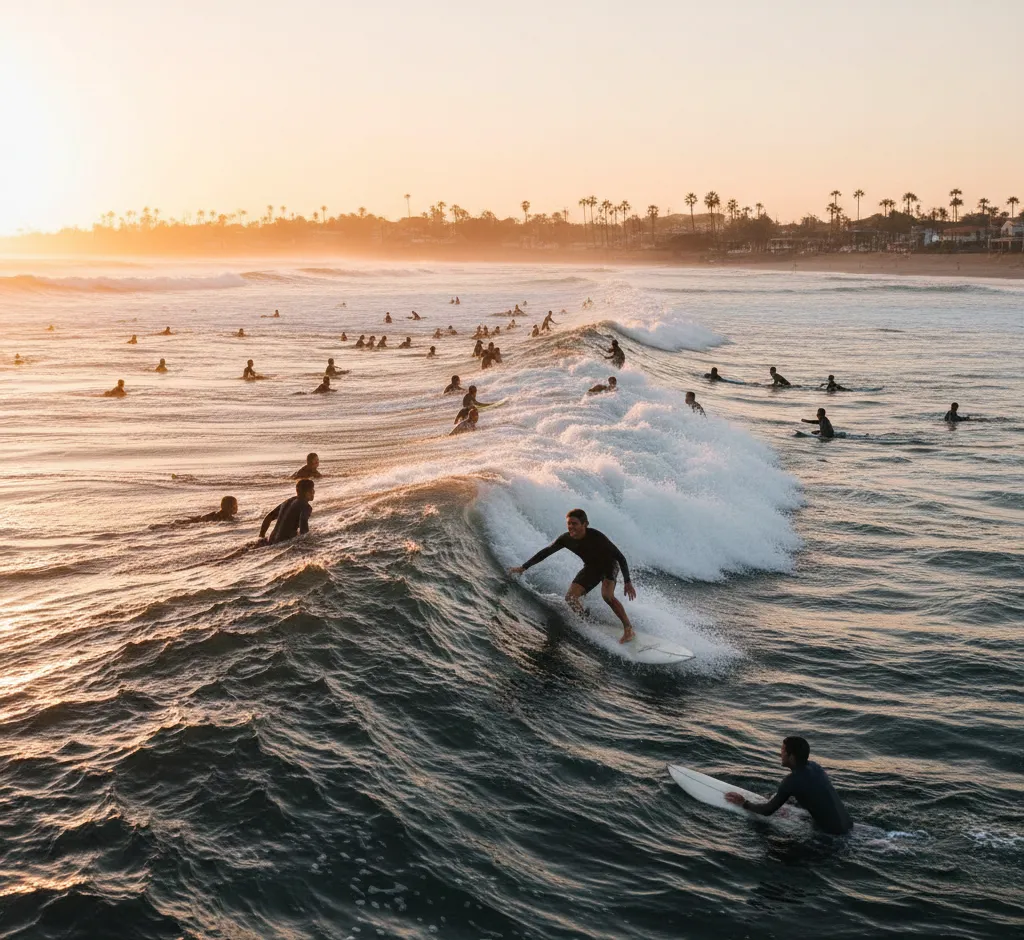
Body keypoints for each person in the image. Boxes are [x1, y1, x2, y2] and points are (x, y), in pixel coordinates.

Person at [510, 508, 637, 643]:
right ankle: (585, 622)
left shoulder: (597, 537)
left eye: (574, 523)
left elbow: (620, 557)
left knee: (607, 596)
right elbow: (546, 552)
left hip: (609, 566)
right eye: (569, 523)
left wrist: (627, 582)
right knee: (570, 597)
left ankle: (628, 629)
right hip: (591, 568)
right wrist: (524, 567)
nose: (571, 526)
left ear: (585, 524)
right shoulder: (566, 539)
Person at [725, 736, 853, 835]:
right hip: (848, 825)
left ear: (791, 756)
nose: (780, 754)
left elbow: (767, 811)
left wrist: (744, 803)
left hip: (831, 835)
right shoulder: (815, 767)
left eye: (783, 751)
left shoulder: (792, 781)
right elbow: (813, 792)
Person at [259, 479, 314, 544]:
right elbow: (303, 529)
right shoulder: (306, 507)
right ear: (307, 493)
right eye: (312, 490)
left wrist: (261, 536)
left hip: (271, 540)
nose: (314, 492)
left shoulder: (288, 502)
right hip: (284, 542)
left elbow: (269, 517)